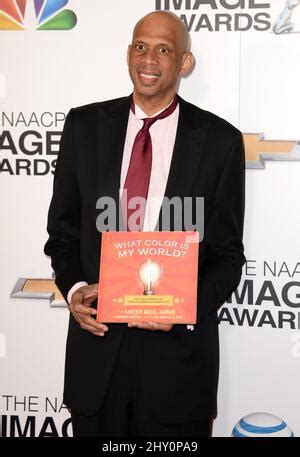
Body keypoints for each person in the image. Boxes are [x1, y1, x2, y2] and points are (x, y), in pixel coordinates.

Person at [44, 11, 245, 437]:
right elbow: (62, 234)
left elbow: (228, 256)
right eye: (140, 46)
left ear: (184, 63)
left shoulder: (220, 141)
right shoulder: (83, 126)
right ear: (127, 53)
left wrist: (183, 309)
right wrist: (77, 290)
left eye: (163, 49)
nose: (148, 58)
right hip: (96, 362)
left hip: (179, 368)